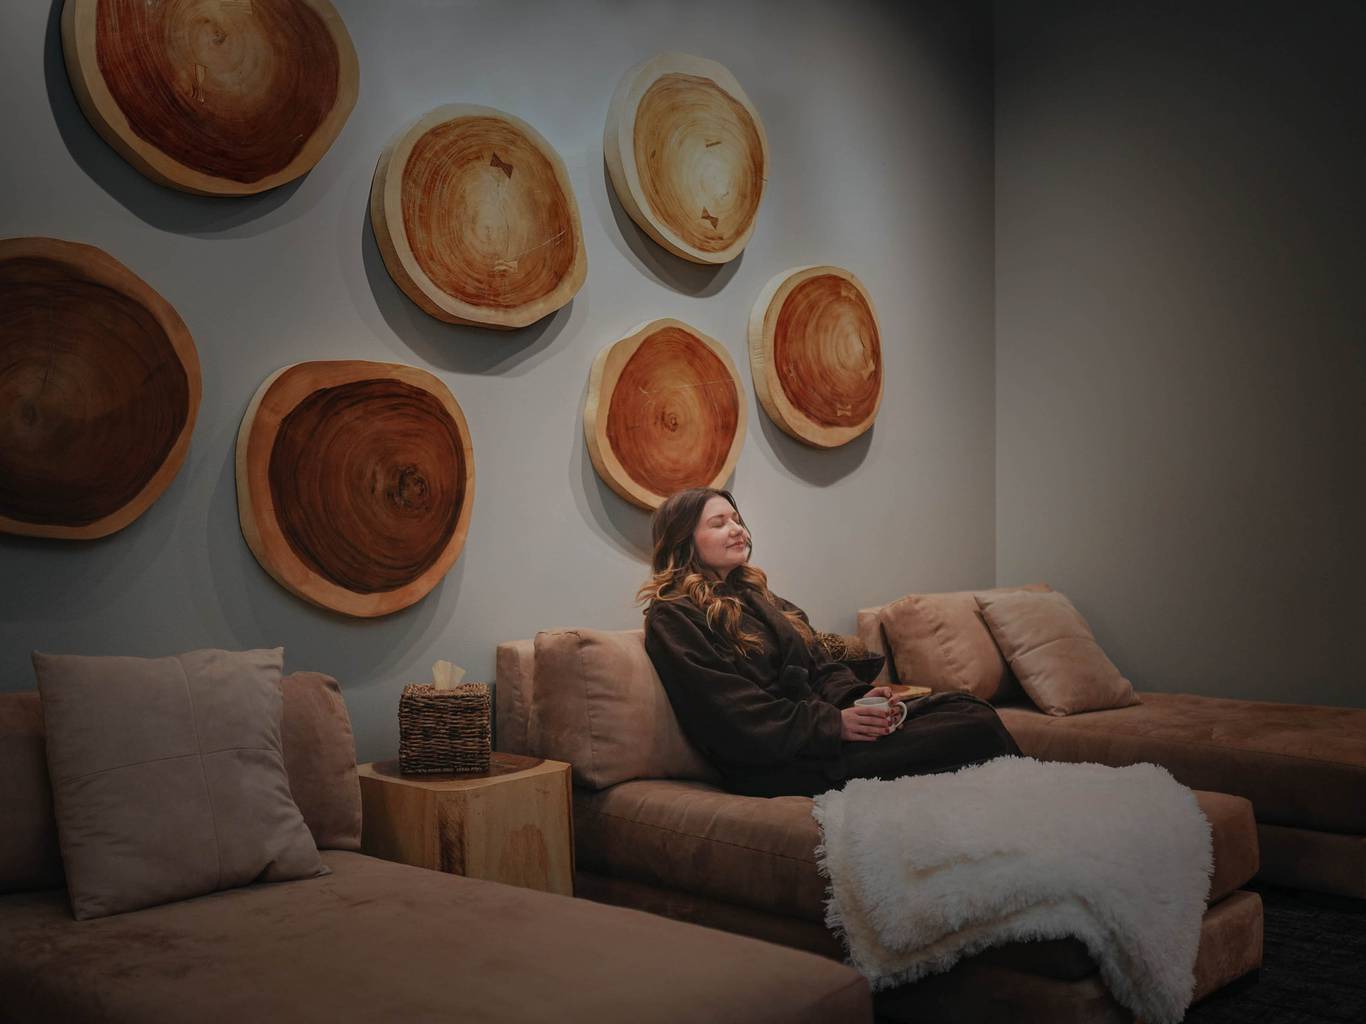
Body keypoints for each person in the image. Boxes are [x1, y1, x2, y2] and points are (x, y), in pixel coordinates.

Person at [641, 487, 1021, 798]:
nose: (737, 529)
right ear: (684, 540)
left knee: (968, 708)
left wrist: (864, 701)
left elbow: (822, 670)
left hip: (820, 737)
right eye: (718, 523)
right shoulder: (673, 616)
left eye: (737, 519)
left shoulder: (764, 600)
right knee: (974, 730)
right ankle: (1023, 803)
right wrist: (832, 726)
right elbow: (728, 713)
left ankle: (1016, 799)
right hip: (777, 761)